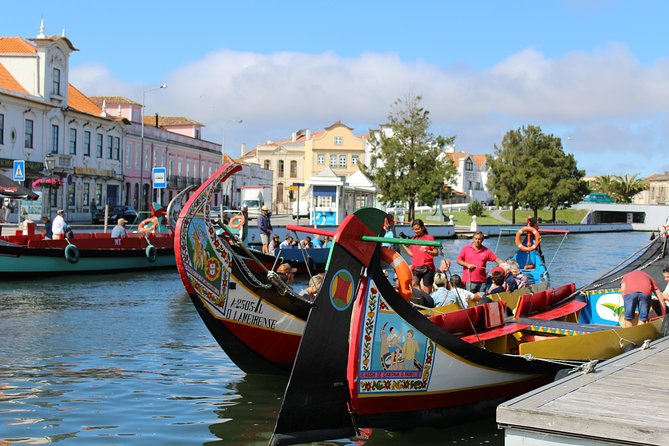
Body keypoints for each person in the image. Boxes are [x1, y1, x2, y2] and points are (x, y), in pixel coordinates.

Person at [401, 219, 441, 290]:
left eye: (418, 229)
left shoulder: (429, 238)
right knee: (415, 288)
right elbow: (412, 254)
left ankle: (426, 299)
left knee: (427, 291)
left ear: (422, 228)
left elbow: (436, 253)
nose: (416, 231)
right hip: (416, 268)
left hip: (428, 268)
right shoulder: (413, 239)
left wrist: (427, 251)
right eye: (414, 229)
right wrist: (404, 246)